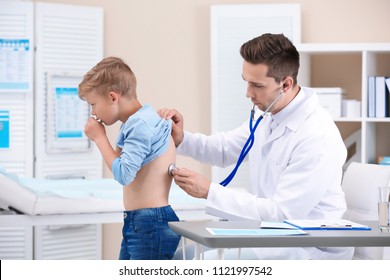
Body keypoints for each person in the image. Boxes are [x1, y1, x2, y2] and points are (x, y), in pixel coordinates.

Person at [158, 33, 354, 260]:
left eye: (257, 85)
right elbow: (224, 148)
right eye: (246, 82)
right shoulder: (270, 114)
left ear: (286, 84)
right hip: (270, 236)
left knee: (195, 263)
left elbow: (281, 213)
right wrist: (181, 138)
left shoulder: (317, 137)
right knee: (177, 256)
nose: (248, 94)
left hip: (307, 249)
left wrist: (209, 191)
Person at [78, 56, 180, 260]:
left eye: (93, 104)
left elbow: (124, 174)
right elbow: (124, 162)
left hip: (150, 223)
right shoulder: (136, 122)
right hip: (140, 221)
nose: (93, 112)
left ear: (113, 98)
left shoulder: (141, 125)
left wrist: (99, 138)